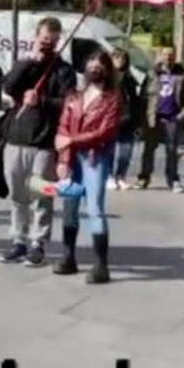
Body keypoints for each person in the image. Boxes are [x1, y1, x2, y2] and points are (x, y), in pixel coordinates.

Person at [0, 18, 78, 267]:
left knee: (41, 194)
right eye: (44, 40)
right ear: (36, 37)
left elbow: (69, 104)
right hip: (16, 138)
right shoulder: (26, 64)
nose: (47, 46)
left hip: (44, 142)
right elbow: (9, 86)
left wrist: (40, 100)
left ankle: (38, 242)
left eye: (52, 42)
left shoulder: (64, 70)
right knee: (18, 194)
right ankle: (18, 240)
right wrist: (30, 61)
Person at [53, 50, 121, 284]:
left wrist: (72, 140)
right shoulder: (74, 96)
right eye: (91, 62)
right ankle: (68, 257)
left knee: (95, 208)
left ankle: (101, 265)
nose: (95, 67)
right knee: (69, 205)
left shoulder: (111, 100)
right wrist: (62, 159)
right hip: (72, 157)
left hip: (94, 158)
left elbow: (105, 133)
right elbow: (63, 126)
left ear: (107, 70)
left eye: (100, 63)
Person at [138, 47, 184, 193]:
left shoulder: (183, 75)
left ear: (175, 56)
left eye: (171, 55)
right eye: (165, 54)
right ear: (160, 56)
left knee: (172, 151)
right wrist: (142, 118)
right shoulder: (152, 74)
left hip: (173, 118)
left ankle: (173, 179)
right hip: (154, 118)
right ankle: (144, 177)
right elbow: (144, 96)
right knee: (149, 149)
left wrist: (182, 114)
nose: (168, 57)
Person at [109, 49, 145, 190]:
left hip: (128, 119)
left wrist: (137, 119)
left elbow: (136, 99)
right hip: (111, 118)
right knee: (110, 151)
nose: (120, 61)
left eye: (123, 59)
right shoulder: (107, 77)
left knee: (126, 151)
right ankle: (109, 176)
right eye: (117, 58)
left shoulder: (130, 77)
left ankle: (121, 176)